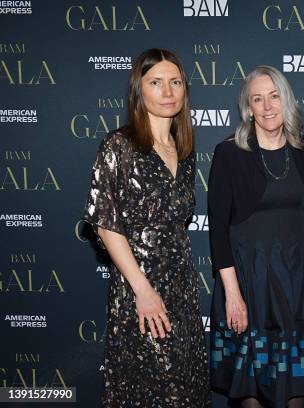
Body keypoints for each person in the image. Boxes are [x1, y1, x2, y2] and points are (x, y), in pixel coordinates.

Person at [82, 48, 210, 406]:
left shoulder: (183, 150)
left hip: (181, 288)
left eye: (175, 82)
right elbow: (106, 225)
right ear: (140, 90)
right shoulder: (119, 146)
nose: (168, 91)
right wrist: (143, 290)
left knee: (185, 388)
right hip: (139, 289)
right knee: (148, 390)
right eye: (156, 83)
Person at [208, 65, 304, 408]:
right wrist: (233, 295)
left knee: (296, 390)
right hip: (248, 285)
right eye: (258, 99)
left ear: (286, 101)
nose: (268, 106)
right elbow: (218, 232)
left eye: (274, 96)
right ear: (248, 108)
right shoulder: (229, 153)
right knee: (251, 391)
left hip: (296, 288)